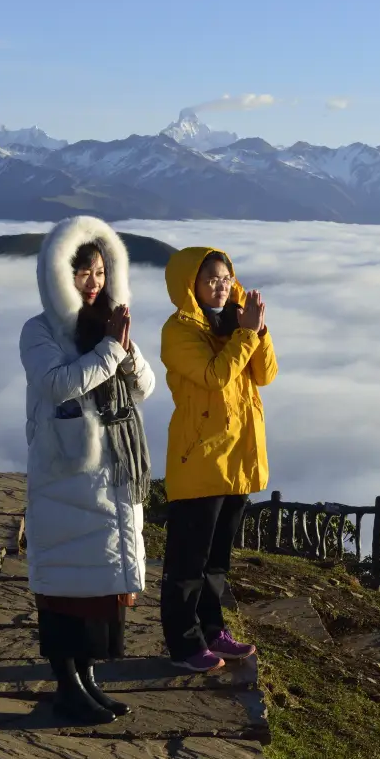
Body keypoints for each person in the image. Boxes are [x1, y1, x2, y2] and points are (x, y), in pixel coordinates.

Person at [19, 216, 155, 724]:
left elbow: (144, 388)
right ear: (59, 275)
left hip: (111, 476)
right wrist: (111, 349)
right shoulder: (39, 331)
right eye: (82, 272)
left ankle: (88, 678)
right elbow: (56, 384)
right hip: (66, 476)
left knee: (98, 585)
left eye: (99, 270)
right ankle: (66, 683)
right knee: (64, 586)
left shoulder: (107, 326)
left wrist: (124, 349)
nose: (93, 281)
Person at [160, 247, 278, 672]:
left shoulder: (238, 320)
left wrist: (258, 332)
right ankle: (183, 643)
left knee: (216, 560)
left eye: (226, 277)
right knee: (187, 562)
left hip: (238, 456)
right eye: (211, 278)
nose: (221, 285)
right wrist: (247, 334)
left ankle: (213, 630)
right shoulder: (179, 330)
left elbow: (266, 374)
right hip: (200, 459)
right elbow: (214, 377)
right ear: (189, 283)